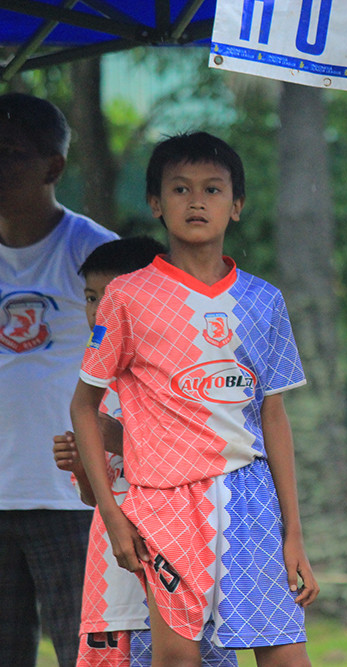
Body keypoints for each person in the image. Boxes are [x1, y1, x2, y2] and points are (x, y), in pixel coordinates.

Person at [69, 132, 318, 667]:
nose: (196, 201)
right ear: (156, 203)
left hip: (252, 498)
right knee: (178, 658)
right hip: (165, 501)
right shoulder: (127, 296)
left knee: (286, 656)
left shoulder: (264, 299)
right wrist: (113, 513)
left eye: (212, 189)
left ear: (237, 205)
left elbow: (273, 415)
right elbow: (83, 406)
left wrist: (294, 533)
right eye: (180, 189)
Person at [53, 236, 239, 667]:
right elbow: (93, 496)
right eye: (91, 298)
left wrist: (115, 436)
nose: (99, 310)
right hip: (115, 578)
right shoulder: (94, 388)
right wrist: (82, 463)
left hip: (183, 567)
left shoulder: (187, 376)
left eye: (112, 295)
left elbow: (202, 455)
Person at [0, 92, 118, 667]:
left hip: (73, 497)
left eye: (11, 153)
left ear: (54, 166)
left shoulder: (96, 254)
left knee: (85, 654)